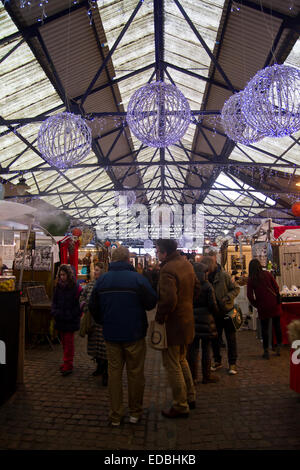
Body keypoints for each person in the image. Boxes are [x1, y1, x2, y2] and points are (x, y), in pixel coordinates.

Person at [89, 246, 157, 426]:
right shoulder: (137, 279)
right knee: (135, 374)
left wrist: (104, 321)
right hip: (134, 334)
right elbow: (151, 303)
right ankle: (135, 412)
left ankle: (116, 415)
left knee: (114, 375)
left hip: (111, 335)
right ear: (128, 260)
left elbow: (93, 306)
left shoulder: (102, 280)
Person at [155, 239, 200, 419]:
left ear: (164, 252)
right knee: (182, 360)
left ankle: (180, 405)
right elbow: (197, 288)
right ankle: (190, 396)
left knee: (172, 364)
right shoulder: (186, 264)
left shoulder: (167, 269)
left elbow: (168, 300)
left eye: (158, 250)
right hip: (187, 320)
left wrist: (159, 317)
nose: (157, 253)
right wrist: (187, 304)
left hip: (173, 324)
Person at [201, 255, 240, 375]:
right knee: (215, 339)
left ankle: (232, 363)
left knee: (231, 339)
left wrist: (227, 297)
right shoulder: (205, 278)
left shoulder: (224, 276)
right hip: (214, 313)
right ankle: (217, 361)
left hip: (227, 312)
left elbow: (236, 289)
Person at [187, 262, 219, 384]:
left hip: (192, 320)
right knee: (206, 349)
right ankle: (206, 375)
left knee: (193, 351)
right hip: (206, 321)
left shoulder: (191, 285)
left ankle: (193, 376)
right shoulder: (207, 286)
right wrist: (216, 313)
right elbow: (213, 304)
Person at [247, 259, 282, 359]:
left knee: (265, 329)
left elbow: (249, 295)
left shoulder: (251, 279)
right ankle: (279, 346)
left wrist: (256, 304)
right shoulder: (267, 274)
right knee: (277, 326)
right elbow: (276, 287)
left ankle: (266, 350)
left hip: (263, 306)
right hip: (274, 304)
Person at [79, 262, 108, 385]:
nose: (94, 272)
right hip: (92, 322)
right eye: (94, 270)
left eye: (96, 270)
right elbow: (82, 297)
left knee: (104, 348)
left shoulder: (106, 285)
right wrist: (85, 305)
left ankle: (106, 371)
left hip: (103, 322)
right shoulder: (90, 285)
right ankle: (99, 367)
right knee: (95, 347)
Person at [51, 264, 82, 376]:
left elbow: (78, 305)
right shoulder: (58, 287)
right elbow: (54, 301)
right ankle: (66, 362)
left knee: (68, 343)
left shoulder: (75, 288)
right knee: (64, 342)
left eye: (64, 275)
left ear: (68, 275)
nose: (62, 277)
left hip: (70, 320)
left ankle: (68, 364)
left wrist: (72, 314)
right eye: (60, 275)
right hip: (60, 318)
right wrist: (55, 311)